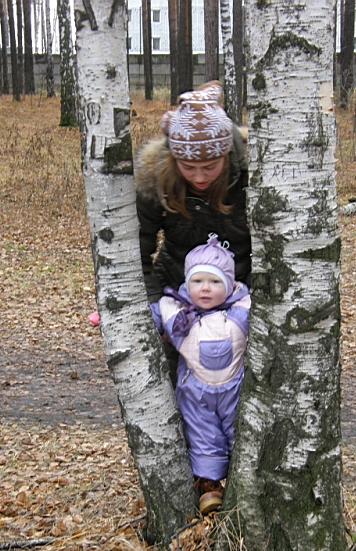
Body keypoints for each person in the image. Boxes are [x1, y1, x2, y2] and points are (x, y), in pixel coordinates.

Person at [150, 235, 251, 514]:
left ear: (229, 284)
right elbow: (149, 317)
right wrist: (113, 317)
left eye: (215, 282)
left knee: (241, 433)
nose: (205, 288)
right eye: (197, 281)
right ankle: (210, 485)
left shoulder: (242, 308)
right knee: (202, 435)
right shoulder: (175, 310)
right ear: (187, 282)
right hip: (196, 392)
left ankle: (246, 483)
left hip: (235, 388)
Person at [135, 80, 251, 304]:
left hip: (242, 291)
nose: (199, 178)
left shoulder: (253, 176)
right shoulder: (156, 181)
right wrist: (156, 304)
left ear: (226, 157)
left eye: (210, 167)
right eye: (188, 167)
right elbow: (137, 253)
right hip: (174, 289)